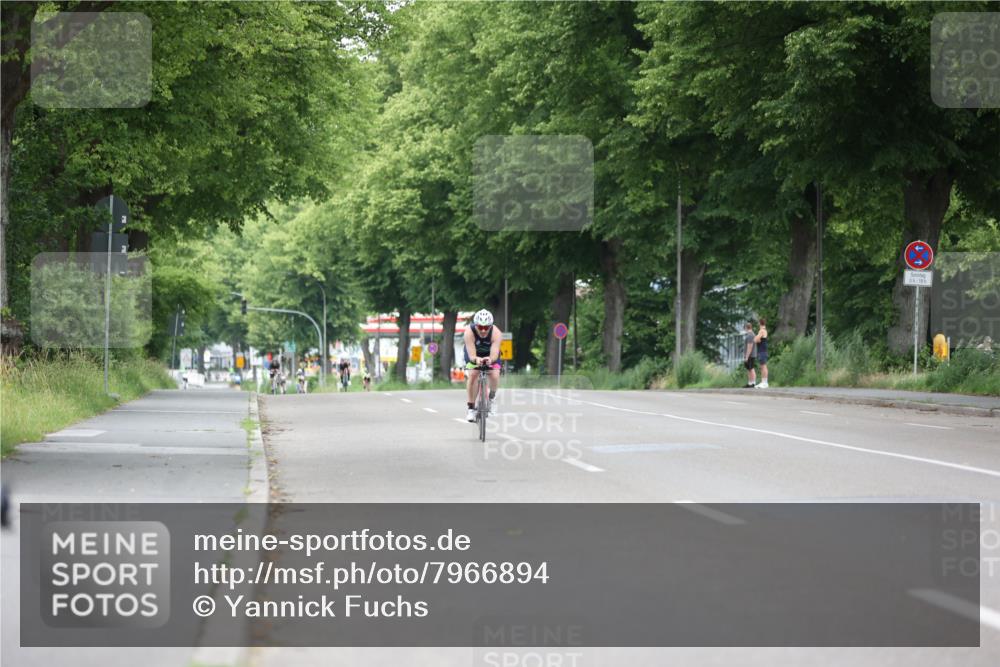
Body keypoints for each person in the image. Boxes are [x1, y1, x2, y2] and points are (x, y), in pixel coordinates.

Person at [464, 309, 502, 422]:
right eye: (480, 327)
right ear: (475, 325)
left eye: (487, 327)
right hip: (474, 354)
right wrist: (476, 359)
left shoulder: (496, 333)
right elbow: (471, 355)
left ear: (491, 326)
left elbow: (495, 353)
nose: (484, 330)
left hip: (490, 355)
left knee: (494, 375)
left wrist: (490, 359)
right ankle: (471, 409)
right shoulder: (469, 332)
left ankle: (491, 399)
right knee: (473, 374)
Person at [754, 317, 769, 388]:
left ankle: (765, 383)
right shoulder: (763, 330)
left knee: (763, 366)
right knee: (762, 366)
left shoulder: (762, 330)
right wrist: (757, 339)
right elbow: (757, 339)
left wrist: (757, 339)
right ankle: (763, 381)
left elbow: (756, 339)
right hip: (761, 350)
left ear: (760, 323)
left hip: (762, 351)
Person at [743, 321, 757, 388]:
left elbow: (750, 346)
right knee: (749, 368)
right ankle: (750, 382)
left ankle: (753, 383)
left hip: (750, 355)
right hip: (750, 355)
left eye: (744, 328)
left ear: (746, 328)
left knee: (751, 368)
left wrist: (746, 356)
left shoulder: (750, 335)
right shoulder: (750, 335)